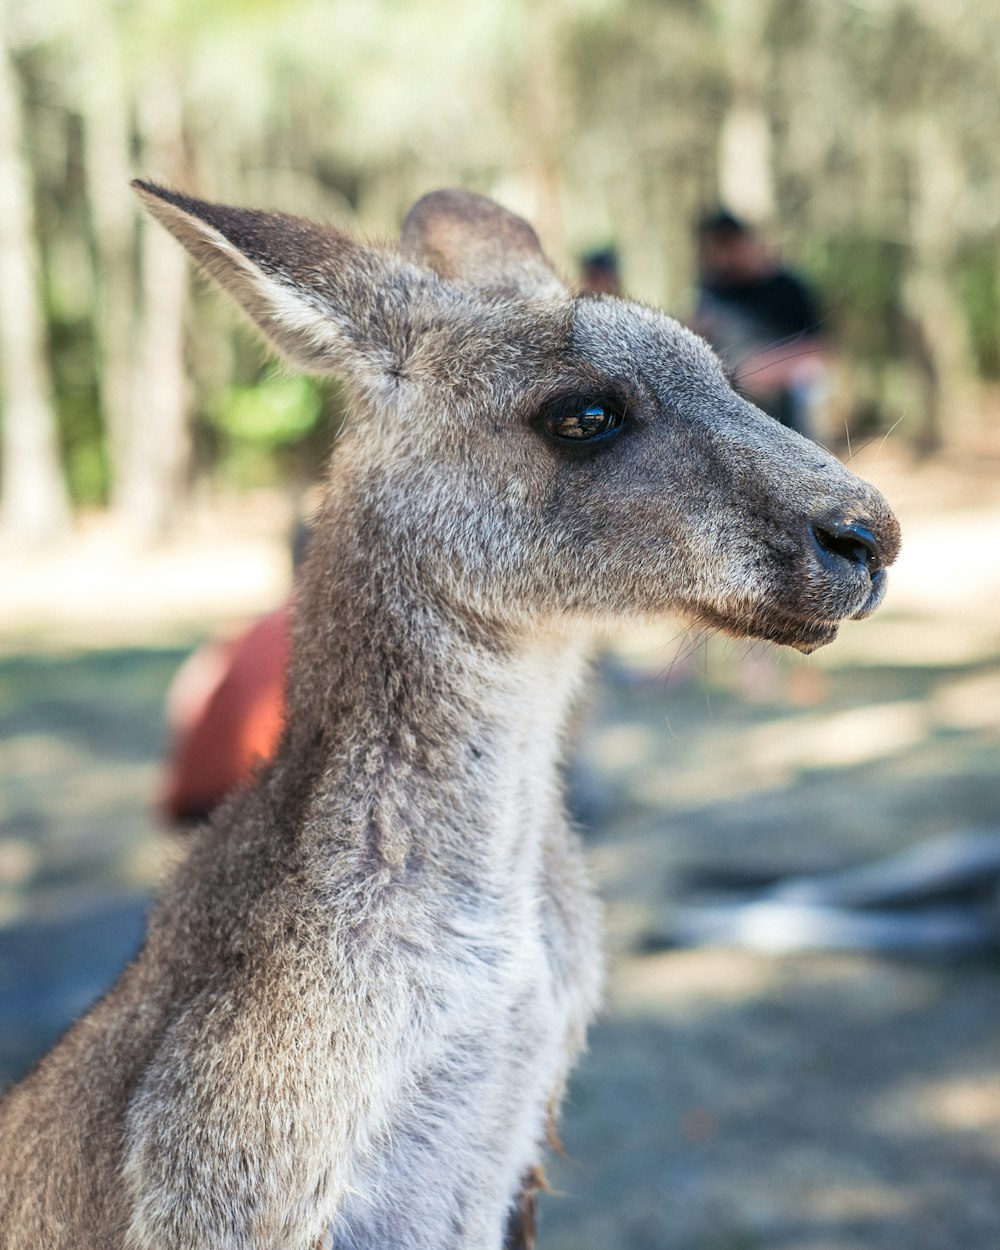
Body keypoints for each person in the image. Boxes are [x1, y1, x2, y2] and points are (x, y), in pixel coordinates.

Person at [692, 209, 826, 438]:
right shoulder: (713, 290)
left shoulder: (788, 288)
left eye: (729, 245)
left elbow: (818, 350)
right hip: (735, 387)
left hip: (788, 387)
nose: (723, 258)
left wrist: (768, 368)